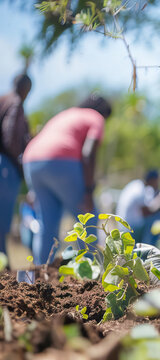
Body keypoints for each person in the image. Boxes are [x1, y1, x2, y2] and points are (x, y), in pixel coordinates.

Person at [22, 94, 111, 265]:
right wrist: (88, 191)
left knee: (47, 224)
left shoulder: (66, 114)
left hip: (32, 161)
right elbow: (88, 153)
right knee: (89, 218)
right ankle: (90, 274)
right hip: (60, 160)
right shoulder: (95, 117)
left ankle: (40, 276)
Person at [0, 73, 32, 256]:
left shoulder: (2, 99)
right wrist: (20, 163)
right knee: (2, 223)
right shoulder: (15, 102)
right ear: (26, 88)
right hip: (6, 167)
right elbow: (10, 135)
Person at [115, 169, 160, 247]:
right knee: (155, 220)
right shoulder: (139, 190)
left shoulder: (138, 185)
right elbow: (147, 212)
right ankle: (150, 250)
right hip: (130, 227)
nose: (158, 183)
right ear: (152, 180)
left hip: (126, 225)